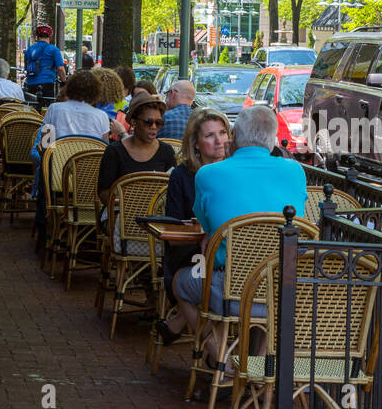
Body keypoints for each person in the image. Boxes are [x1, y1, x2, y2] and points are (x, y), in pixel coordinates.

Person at [174, 105, 307, 366]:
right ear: (271, 139)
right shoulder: (295, 171)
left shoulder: (208, 174)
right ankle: (258, 368)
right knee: (269, 296)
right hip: (283, 291)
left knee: (180, 282)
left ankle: (222, 360)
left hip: (231, 292)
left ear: (233, 136)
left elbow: (205, 222)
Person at [154, 107, 230, 346]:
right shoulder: (182, 175)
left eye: (223, 133)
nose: (219, 141)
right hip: (191, 254)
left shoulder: (233, 172)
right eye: (210, 135)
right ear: (196, 144)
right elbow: (174, 225)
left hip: (228, 254)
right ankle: (214, 350)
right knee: (196, 280)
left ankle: (176, 323)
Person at [32, 69, 111, 244]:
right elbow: (105, 151)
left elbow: (45, 145)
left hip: (57, 179)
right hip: (88, 182)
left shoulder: (54, 109)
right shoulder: (102, 117)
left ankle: (47, 233)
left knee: (44, 171)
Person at [97, 91, 176, 204]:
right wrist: (131, 203)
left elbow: (173, 190)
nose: (153, 127)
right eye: (148, 122)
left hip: (155, 214)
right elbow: (104, 193)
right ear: (134, 122)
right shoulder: (115, 151)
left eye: (158, 122)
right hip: (121, 212)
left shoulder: (166, 151)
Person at [23, 25, 66, 107]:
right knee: (46, 110)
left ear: (37, 36)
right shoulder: (53, 49)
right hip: (47, 84)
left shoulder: (29, 49)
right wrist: (64, 82)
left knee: (32, 110)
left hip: (30, 84)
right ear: (50, 36)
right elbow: (60, 68)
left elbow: (26, 67)